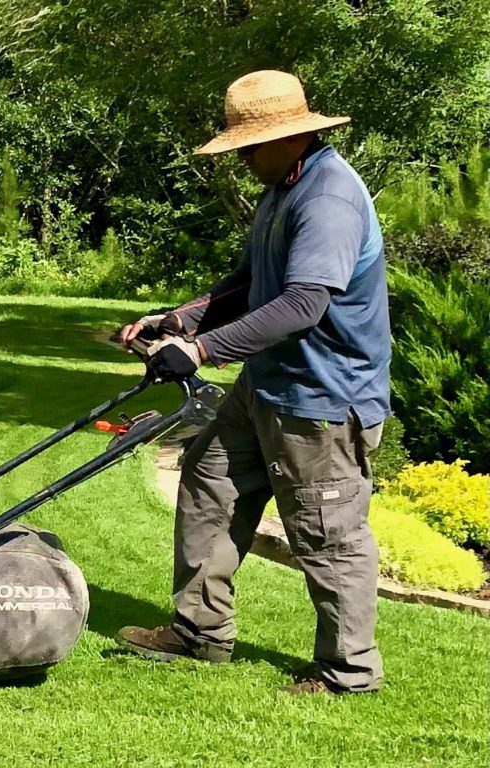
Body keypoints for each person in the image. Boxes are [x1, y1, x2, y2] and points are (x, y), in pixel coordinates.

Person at [115, 70, 391, 695]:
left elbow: (302, 307)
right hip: (266, 387)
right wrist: (178, 319)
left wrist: (202, 349)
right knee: (210, 477)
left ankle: (349, 672)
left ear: (290, 137)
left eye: (250, 144)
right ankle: (199, 630)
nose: (240, 157)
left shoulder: (328, 199)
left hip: (323, 399)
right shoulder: (280, 188)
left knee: (327, 535)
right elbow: (245, 286)